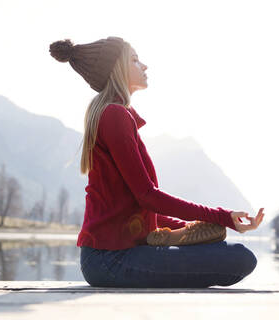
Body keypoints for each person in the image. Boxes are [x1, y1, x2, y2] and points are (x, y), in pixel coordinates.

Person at [49, 36, 265, 288]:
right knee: (239, 257)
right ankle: (173, 242)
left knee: (224, 248)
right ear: (116, 68)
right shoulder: (114, 116)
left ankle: (173, 239)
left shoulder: (116, 114)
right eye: (135, 60)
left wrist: (192, 227)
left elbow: (139, 207)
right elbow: (147, 196)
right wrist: (222, 216)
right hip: (111, 259)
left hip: (111, 257)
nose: (144, 66)